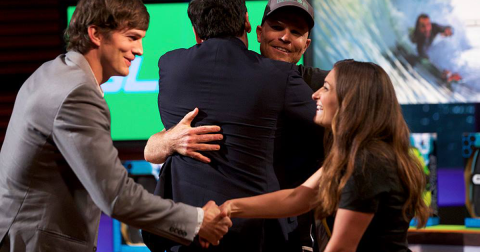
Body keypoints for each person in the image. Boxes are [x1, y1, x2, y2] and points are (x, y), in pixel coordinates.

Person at [0, 0, 232, 251]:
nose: (140, 50)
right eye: (132, 37)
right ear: (96, 34)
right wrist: (197, 221)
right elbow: (116, 196)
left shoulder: (56, 71)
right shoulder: (77, 92)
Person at [145, 1, 328, 250]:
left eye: (296, 32)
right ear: (254, 28)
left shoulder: (322, 85)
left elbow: (351, 134)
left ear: (306, 44)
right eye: (277, 27)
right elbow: (151, 150)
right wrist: (169, 140)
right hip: (241, 233)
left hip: (285, 227)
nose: (285, 37)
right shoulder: (274, 75)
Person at [220, 60, 430, 252]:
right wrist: (231, 207)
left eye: (326, 87)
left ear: (351, 100)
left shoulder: (367, 162)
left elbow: (341, 248)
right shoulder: (355, 155)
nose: (314, 94)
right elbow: (298, 197)